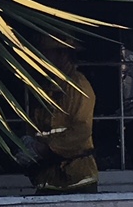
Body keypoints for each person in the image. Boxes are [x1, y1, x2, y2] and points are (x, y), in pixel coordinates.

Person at [23, 46, 98, 194]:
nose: (41, 57)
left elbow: (81, 131)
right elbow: (38, 127)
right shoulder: (47, 85)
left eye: (46, 51)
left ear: (63, 53)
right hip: (47, 178)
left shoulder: (78, 86)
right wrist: (28, 147)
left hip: (76, 180)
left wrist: (44, 148)